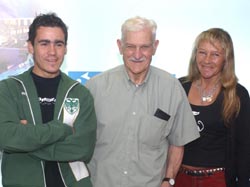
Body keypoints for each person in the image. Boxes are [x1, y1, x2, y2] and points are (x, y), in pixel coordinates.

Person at [85, 16, 200, 187]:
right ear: (120, 46)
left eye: (144, 47)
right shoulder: (94, 88)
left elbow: (177, 143)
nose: (137, 55)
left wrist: (168, 180)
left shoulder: (172, 89)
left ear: (155, 47)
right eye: (130, 46)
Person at [0, 13, 97, 187]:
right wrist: (61, 130)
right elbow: (6, 137)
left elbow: (83, 148)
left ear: (66, 48)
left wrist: (26, 141)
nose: (52, 52)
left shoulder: (79, 93)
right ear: (30, 47)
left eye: (58, 44)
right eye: (44, 43)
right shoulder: (8, 89)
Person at [174, 28, 250, 187]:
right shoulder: (179, 86)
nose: (207, 60)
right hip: (179, 179)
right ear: (195, 55)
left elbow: (244, 148)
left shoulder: (237, 94)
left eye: (215, 54)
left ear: (226, 59)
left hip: (217, 181)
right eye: (202, 52)